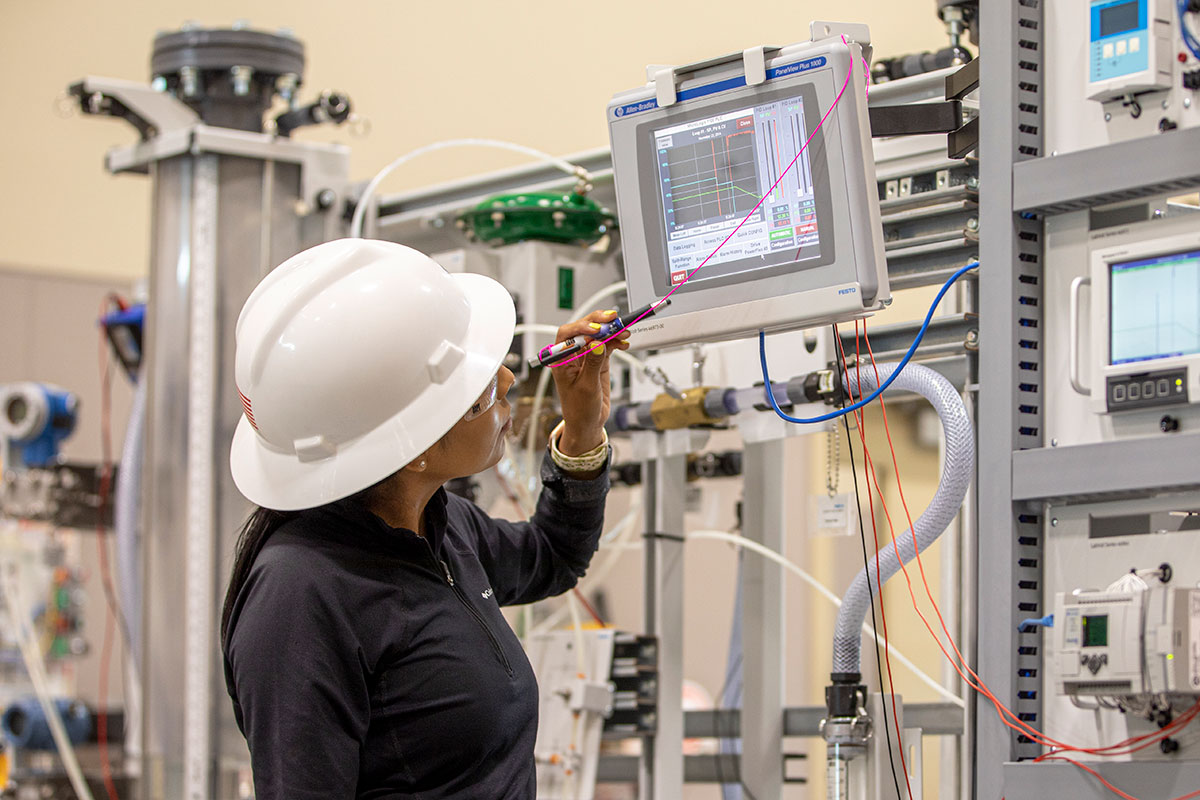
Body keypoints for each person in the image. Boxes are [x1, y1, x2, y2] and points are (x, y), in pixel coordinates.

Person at [220, 238, 629, 799]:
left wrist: (582, 427)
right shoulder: (301, 597)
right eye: (477, 389)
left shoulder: (438, 523)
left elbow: (552, 557)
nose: (507, 382)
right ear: (412, 447)